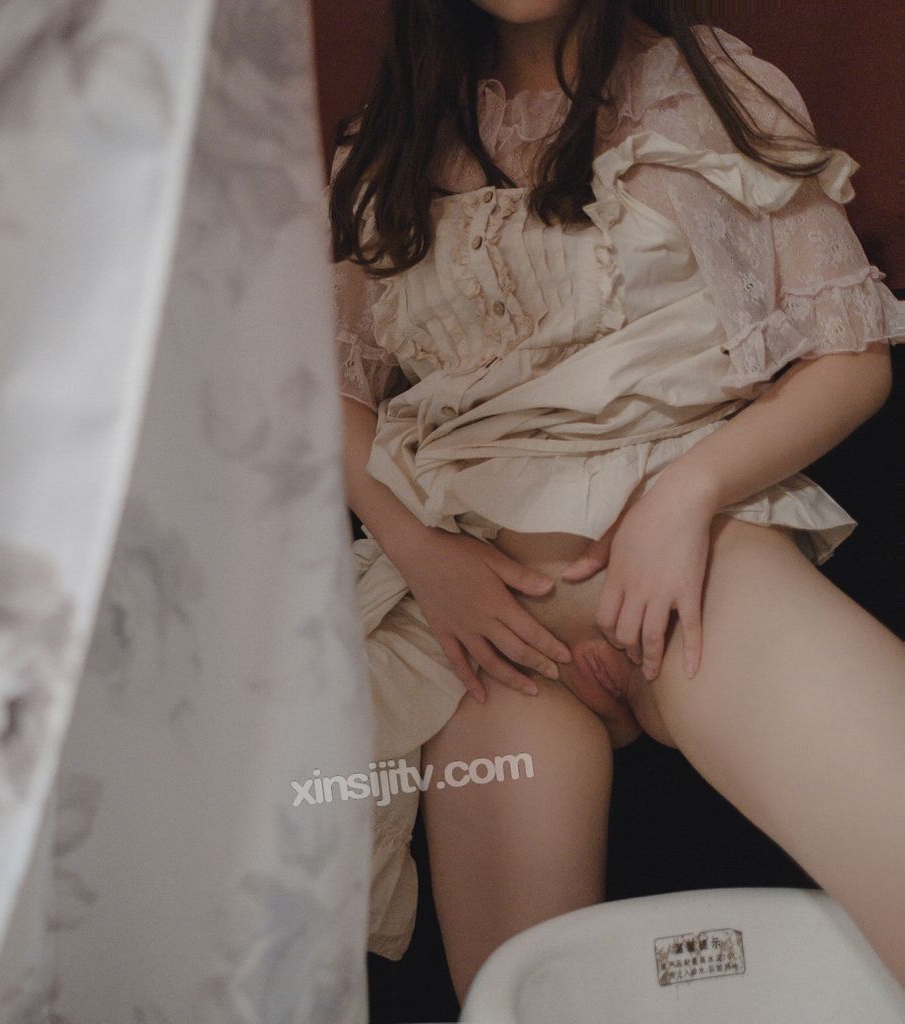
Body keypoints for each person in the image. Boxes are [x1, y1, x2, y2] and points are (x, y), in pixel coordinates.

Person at [328, 0, 905, 1004]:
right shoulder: (384, 148)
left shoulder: (711, 89)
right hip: (493, 640)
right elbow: (328, 398)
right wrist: (422, 553)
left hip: (695, 574)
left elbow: (851, 361)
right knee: (526, 996)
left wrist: (688, 494)